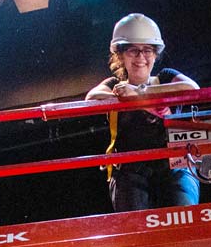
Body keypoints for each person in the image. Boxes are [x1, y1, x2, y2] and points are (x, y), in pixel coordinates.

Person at [85, 13, 201, 213]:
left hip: (175, 166)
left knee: (185, 221)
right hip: (129, 172)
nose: (141, 57)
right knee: (137, 231)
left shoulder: (166, 77)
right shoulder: (114, 85)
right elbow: (92, 98)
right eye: (133, 51)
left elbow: (192, 89)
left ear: (156, 54)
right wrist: (125, 96)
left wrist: (139, 94)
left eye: (147, 50)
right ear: (120, 55)